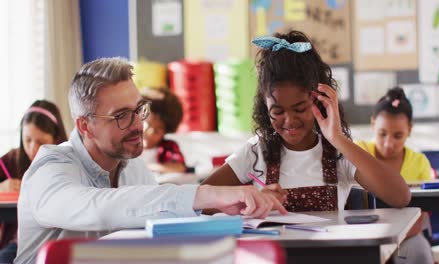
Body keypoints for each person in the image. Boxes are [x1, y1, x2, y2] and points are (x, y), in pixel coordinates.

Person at [14, 57, 287, 264]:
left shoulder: (131, 165)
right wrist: (209, 194)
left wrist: (231, 206)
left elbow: (161, 215)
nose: (138, 125)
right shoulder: (49, 169)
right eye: (122, 116)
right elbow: (99, 207)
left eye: (138, 110)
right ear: (85, 126)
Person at [202, 30, 410, 213]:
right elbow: (200, 201)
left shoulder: (338, 153)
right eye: (277, 111)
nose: (289, 120)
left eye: (300, 109)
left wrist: (337, 138)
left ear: (320, 100)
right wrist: (248, 198)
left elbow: (400, 196)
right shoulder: (256, 153)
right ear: (265, 110)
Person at [356, 87, 433, 264]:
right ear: (373, 124)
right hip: (362, 233)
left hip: (407, 236)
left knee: (418, 252)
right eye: (382, 134)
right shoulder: (359, 151)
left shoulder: (419, 162)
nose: (388, 143)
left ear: (409, 130)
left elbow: (421, 218)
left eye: (398, 136)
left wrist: (390, 244)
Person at [0, 100, 67, 263]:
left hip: (55, 239)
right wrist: (1, 187)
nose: (32, 148)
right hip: (17, 242)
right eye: (27, 139)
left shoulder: (67, 163)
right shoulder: (10, 161)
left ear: (56, 139)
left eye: (41, 142)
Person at [141, 88, 186, 173]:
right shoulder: (127, 144)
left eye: (157, 131)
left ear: (166, 132)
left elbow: (179, 167)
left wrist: (147, 167)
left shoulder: (167, 147)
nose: (150, 133)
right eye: (147, 124)